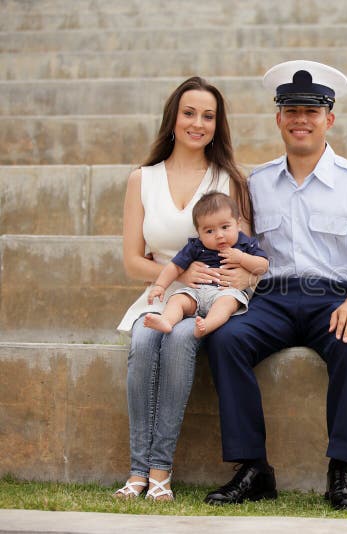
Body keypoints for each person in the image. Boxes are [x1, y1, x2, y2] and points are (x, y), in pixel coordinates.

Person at [203, 60, 347, 511]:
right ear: (278, 119)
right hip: (270, 298)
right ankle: (254, 468)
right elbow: (242, 244)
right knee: (226, 337)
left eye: (312, 111)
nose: (301, 119)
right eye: (291, 110)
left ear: (329, 119)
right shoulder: (256, 182)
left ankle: (340, 470)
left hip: (330, 297)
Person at [115, 77, 255, 501]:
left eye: (208, 116)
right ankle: (137, 471)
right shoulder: (142, 179)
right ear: (173, 120)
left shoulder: (228, 179)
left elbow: (245, 258)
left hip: (210, 299)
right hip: (159, 294)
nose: (198, 123)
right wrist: (179, 275)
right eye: (189, 113)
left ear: (218, 124)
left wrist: (228, 285)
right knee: (144, 338)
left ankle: (160, 471)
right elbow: (132, 260)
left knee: (177, 340)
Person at [143, 192, 268, 339]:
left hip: (226, 291)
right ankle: (167, 321)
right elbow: (175, 267)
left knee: (226, 304)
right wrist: (160, 286)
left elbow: (263, 265)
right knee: (177, 299)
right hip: (196, 292)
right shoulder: (196, 246)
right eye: (209, 231)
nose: (219, 235)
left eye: (225, 227)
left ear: (238, 224)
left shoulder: (245, 244)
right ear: (199, 233)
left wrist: (242, 258)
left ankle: (207, 325)